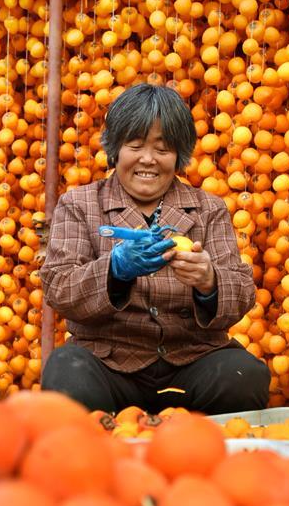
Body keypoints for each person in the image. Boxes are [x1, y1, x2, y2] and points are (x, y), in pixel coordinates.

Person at [40, 83, 270, 415]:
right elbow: (59, 287)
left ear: (179, 156)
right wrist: (114, 271)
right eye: (135, 145)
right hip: (110, 361)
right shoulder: (80, 204)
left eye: (163, 149)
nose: (148, 159)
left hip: (191, 359)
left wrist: (209, 282)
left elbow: (242, 292)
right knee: (66, 373)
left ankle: (204, 459)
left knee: (244, 377)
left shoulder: (208, 209)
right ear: (116, 149)